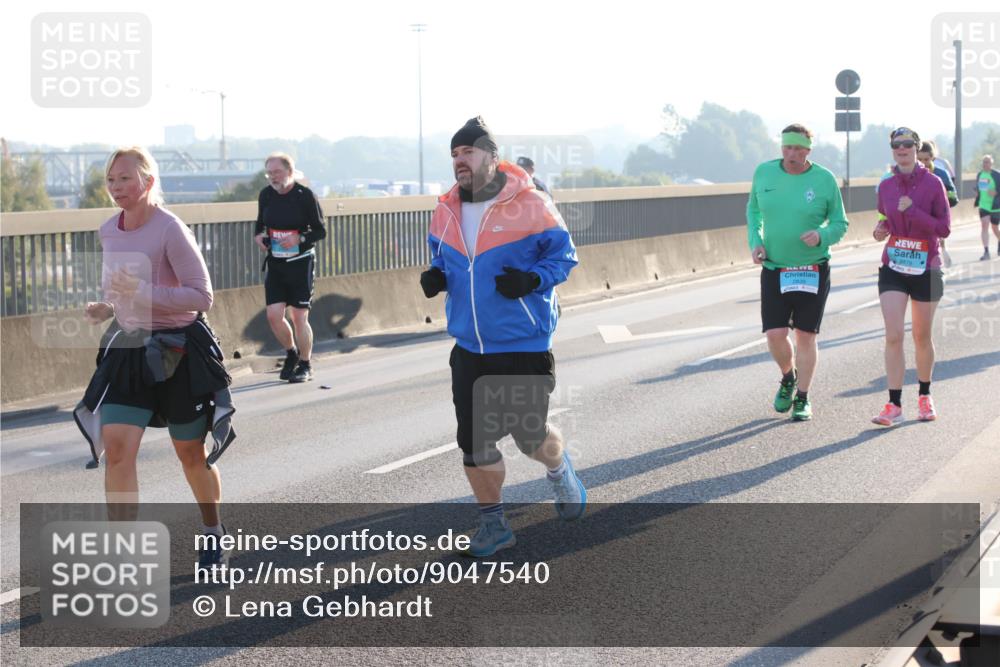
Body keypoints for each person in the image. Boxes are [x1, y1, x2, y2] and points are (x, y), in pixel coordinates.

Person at [420, 116, 583, 557]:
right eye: (454, 154)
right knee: (474, 442)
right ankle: (494, 525)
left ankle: (558, 468)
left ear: (492, 157)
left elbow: (565, 258)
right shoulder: (446, 208)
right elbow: (440, 255)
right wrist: (436, 275)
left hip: (523, 342)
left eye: (468, 152)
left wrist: (532, 281)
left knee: (530, 437)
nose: (460, 161)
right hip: (470, 346)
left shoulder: (530, 203)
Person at [75, 146, 236, 566]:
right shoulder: (109, 230)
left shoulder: (170, 229)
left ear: (147, 181)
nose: (116, 188)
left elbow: (202, 296)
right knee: (118, 448)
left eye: (124, 178)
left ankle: (212, 529)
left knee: (190, 454)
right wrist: (106, 308)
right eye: (110, 180)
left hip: (178, 349)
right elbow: (120, 293)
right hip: (129, 348)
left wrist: (144, 294)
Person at [747, 124, 849, 421]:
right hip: (775, 267)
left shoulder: (824, 179)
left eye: (797, 149)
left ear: (808, 151)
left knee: (805, 335)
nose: (790, 154)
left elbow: (840, 224)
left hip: (812, 268)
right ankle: (787, 377)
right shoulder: (764, 173)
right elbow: (753, 211)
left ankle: (803, 397)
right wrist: (756, 242)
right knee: (776, 334)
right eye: (786, 148)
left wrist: (822, 236)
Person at [871, 128, 951, 426]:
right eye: (896, 145)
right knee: (893, 334)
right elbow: (884, 220)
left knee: (921, 335)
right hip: (894, 266)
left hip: (926, 267)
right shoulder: (887, 186)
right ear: (892, 149)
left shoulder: (933, 184)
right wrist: (880, 231)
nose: (901, 149)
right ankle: (893, 404)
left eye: (907, 144)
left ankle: (925, 395)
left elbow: (943, 229)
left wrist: (914, 211)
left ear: (917, 149)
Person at [254, 152, 327, 382]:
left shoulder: (304, 196)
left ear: (289, 172)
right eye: (269, 173)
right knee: (274, 315)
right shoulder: (266, 195)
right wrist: (260, 238)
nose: (273, 177)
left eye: (277, 172)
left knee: (298, 316)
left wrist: (299, 239)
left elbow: (320, 231)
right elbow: (259, 225)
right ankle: (291, 353)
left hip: (301, 263)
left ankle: (306, 364)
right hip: (276, 263)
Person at [917, 141, 958, 267]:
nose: (923, 163)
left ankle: (940, 254)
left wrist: (944, 202)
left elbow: (953, 195)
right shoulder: (911, 173)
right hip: (919, 212)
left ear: (933, 158)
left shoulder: (941, 173)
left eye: (926, 159)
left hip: (937, 212)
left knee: (936, 237)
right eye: (919, 159)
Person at [974, 155, 1000, 260]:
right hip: (983, 205)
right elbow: (980, 188)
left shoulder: (997, 175)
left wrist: (996, 192)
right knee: (984, 225)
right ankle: (986, 252)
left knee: (994, 227)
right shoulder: (980, 174)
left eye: (988, 162)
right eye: (984, 162)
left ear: (991, 163)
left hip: (995, 205)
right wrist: (977, 192)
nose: (985, 164)